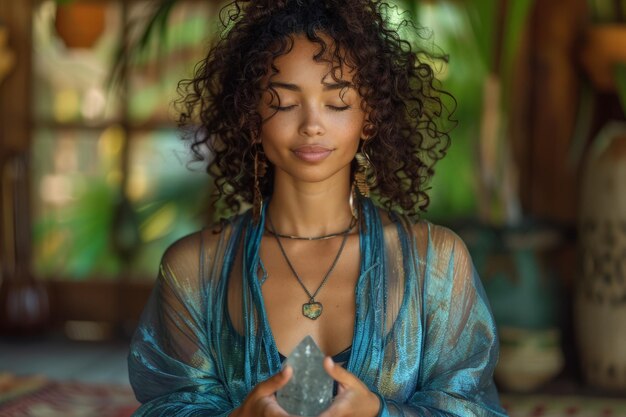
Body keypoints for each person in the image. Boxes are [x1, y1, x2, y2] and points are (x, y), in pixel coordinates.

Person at [128, 0, 508, 416]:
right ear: (250, 118)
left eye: (337, 102)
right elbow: (166, 408)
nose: (312, 124)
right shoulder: (193, 269)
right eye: (284, 103)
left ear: (370, 117)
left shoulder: (436, 263)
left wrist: (379, 414)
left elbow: (473, 410)